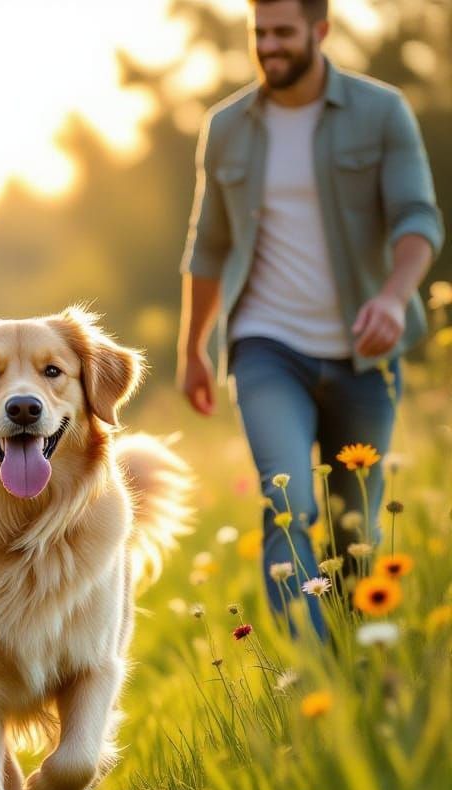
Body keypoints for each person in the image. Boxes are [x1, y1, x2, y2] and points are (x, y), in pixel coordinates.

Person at [176, 0, 443, 636]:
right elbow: (208, 244)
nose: (269, 46)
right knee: (289, 504)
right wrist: (194, 349)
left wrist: (391, 295)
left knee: (358, 528)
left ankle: (357, 666)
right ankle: (309, 676)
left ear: (320, 31)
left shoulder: (381, 112)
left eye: (283, 33)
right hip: (266, 346)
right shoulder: (227, 126)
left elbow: (417, 217)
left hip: (364, 352)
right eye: (258, 33)